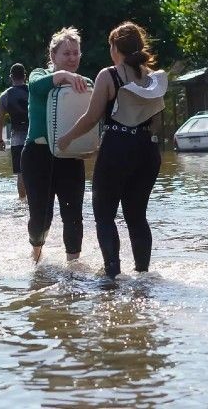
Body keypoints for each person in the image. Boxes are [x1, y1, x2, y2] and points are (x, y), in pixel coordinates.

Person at [58, 21, 166, 279]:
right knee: (137, 216)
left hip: (117, 149)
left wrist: (67, 138)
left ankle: (112, 275)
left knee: (104, 215)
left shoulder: (109, 75)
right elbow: (158, 123)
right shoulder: (153, 79)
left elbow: (91, 117)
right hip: (148, 151)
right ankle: (143, 275)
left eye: (110, 45)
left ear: (116, 47)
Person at [21, 27, 91, 262]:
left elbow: (93, 120)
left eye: (76, 53)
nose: (72, 58)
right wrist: (64, 76)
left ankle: (73, 268)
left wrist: (90, 147)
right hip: (37, 156)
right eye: (66, 54)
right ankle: (36, 252)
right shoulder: (38, 75)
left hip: (70, 156)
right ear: (53, 56)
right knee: (41, 217)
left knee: (73, 215)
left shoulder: (86, 83)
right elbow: (36, 88)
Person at [0, 63, 29, 199]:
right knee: (38, 171)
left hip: (17, 139)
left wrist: (0, 139)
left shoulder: (5, 96)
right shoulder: (33, 91)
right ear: (25, 76)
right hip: (36, 136)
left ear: (11, 77)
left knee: (21, 173)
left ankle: (22, 203)